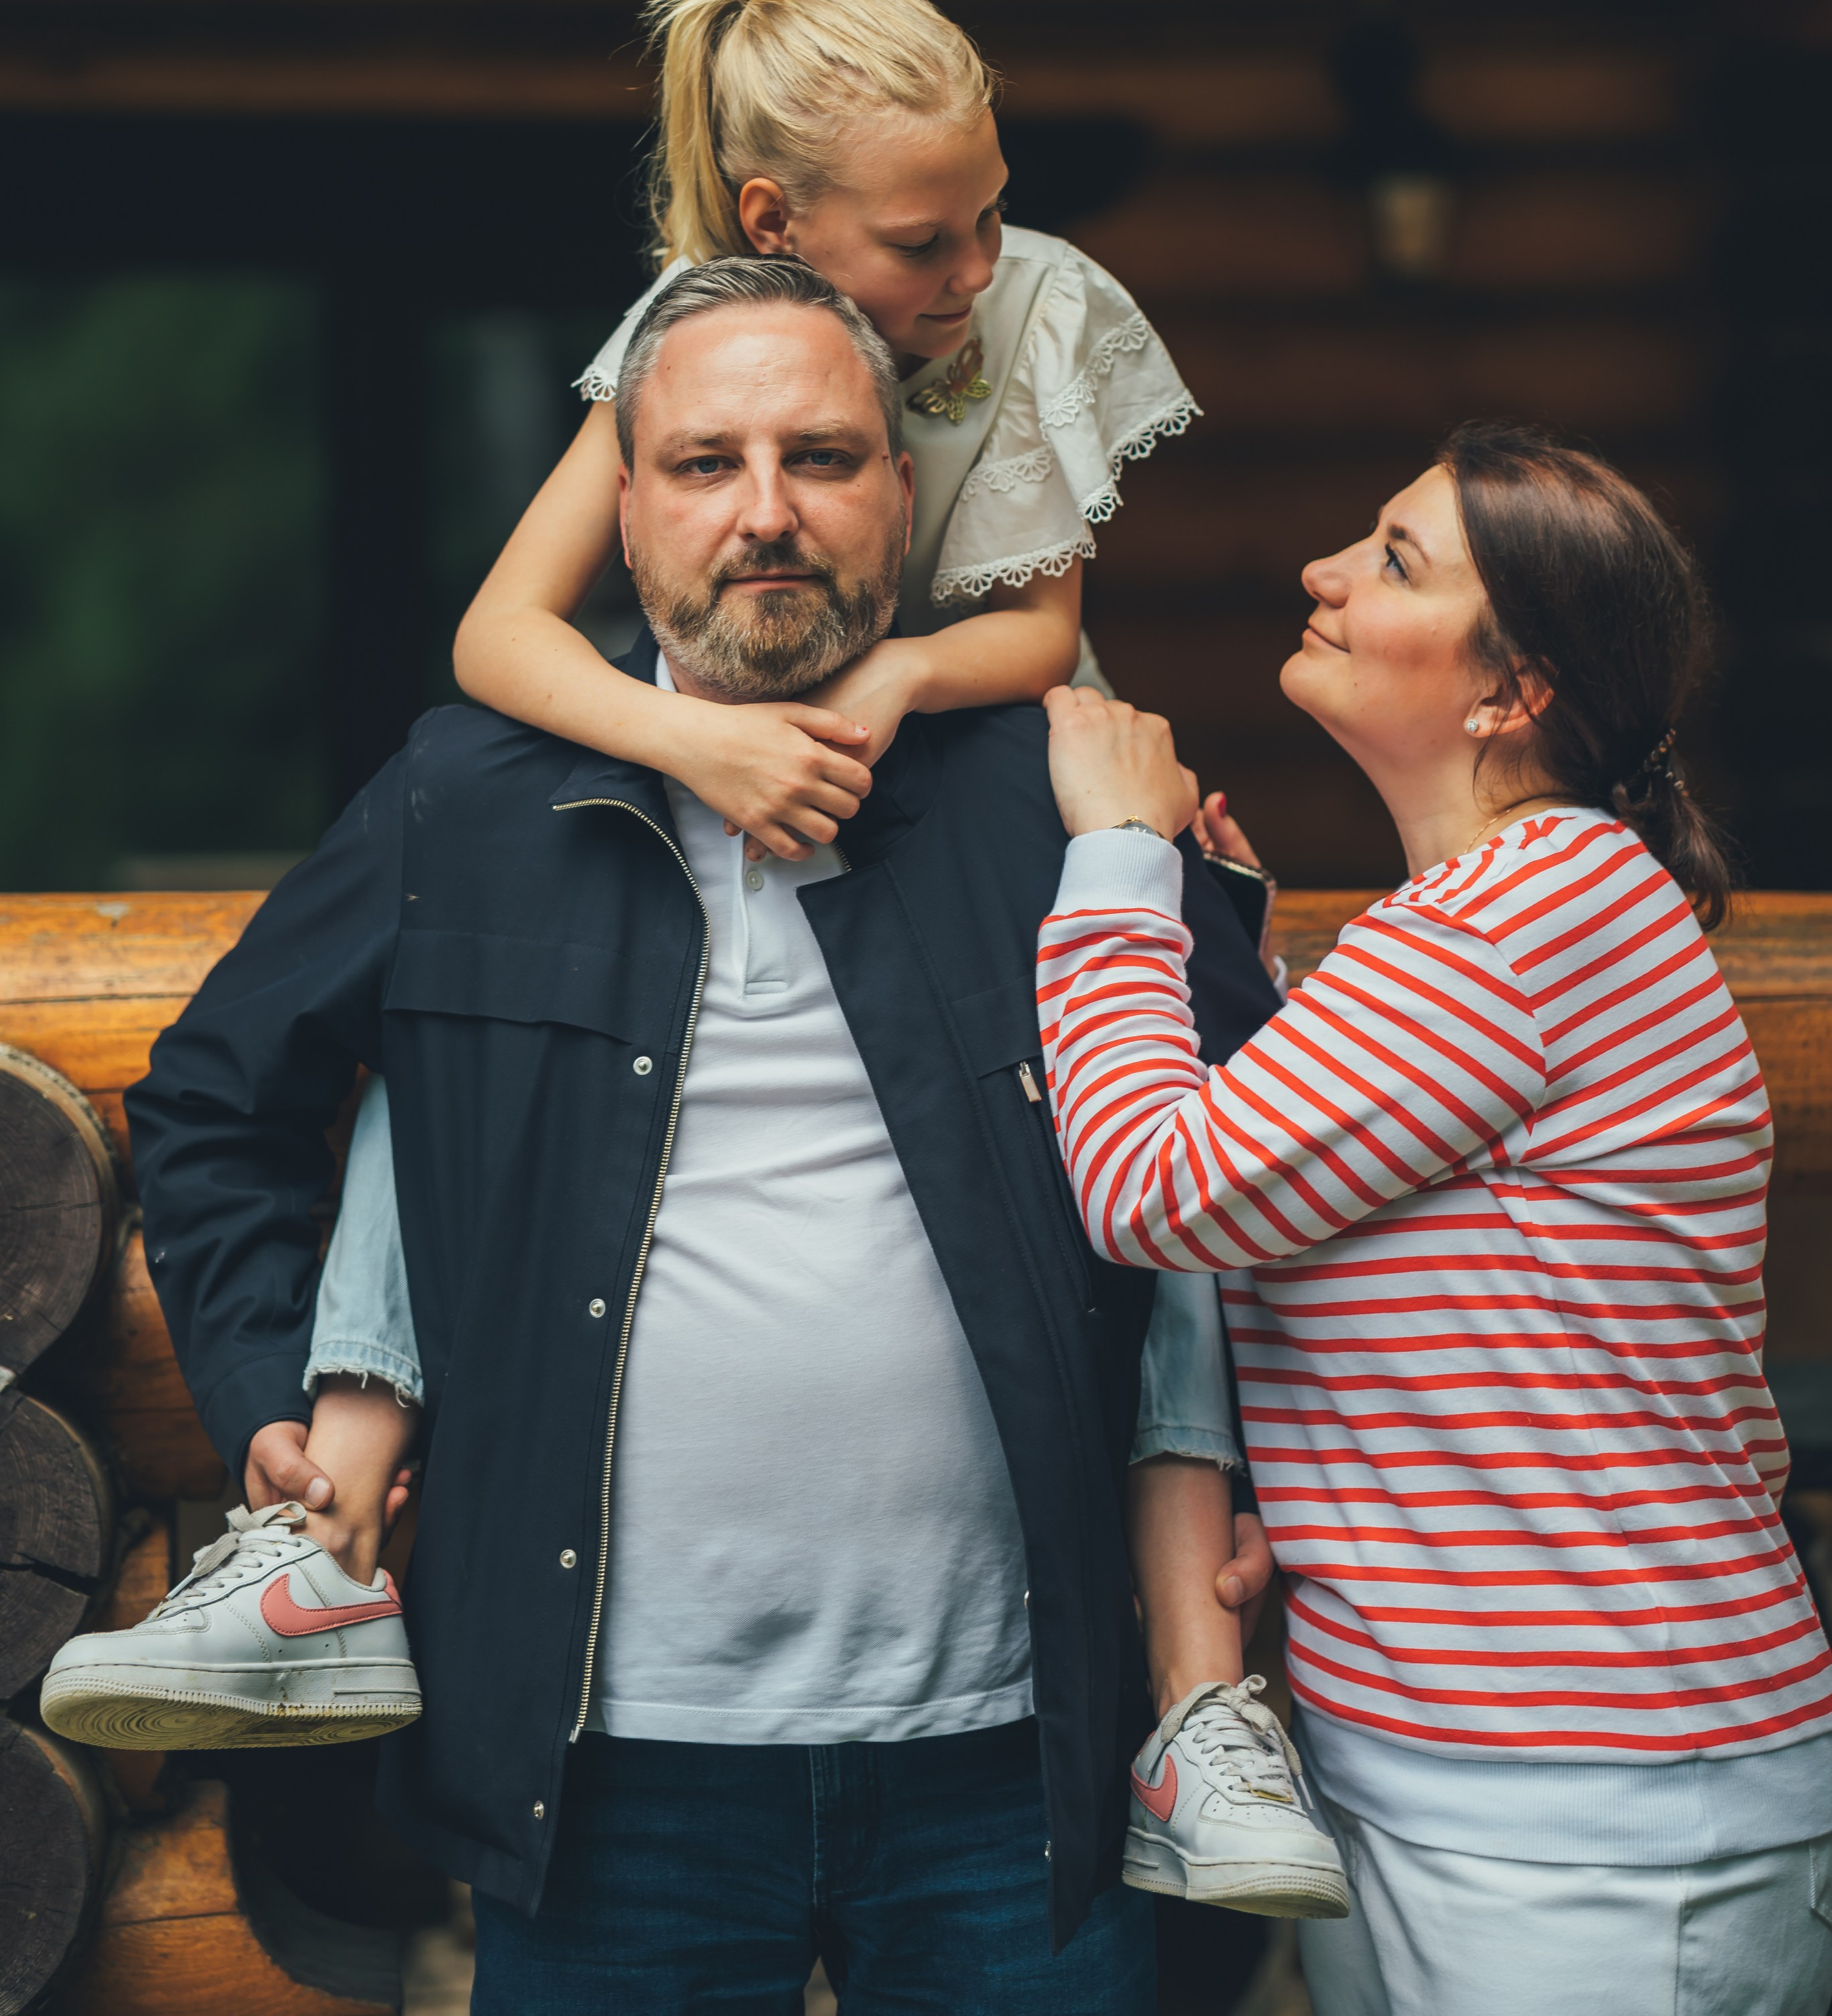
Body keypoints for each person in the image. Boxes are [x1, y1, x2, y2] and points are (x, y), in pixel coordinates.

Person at [44, 260, 1325, 2012]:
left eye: (822, 456)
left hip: (1009, 1764)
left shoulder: (1041, 793)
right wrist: (272, 1396)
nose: (768, 512)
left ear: (902, 492)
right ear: (624, 506)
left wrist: (1198, 894)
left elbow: (1255, 1157)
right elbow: (215, 1098)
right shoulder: (472, 799)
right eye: (707, 463)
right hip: (598, 1772)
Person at [246, 0, 1312, 1909]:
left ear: (891, 479)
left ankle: (1187, 1693)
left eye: (995, 206)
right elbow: (501, 637)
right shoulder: (676, 357)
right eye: (931, 235)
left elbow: (1053, 634)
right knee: (456, 984)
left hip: (976, 752)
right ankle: (306, 1534)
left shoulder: (1032, 308)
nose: (977, 264)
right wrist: (696, 745)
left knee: (1137, 1159)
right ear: (772, 226)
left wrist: (1067, 807)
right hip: (613, 1762)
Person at [1033, 422, 1832, 2015]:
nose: (1322, 572)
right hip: (1442, 1757)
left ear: (1508, 690)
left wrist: (1116, 862)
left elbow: (1153, 1185)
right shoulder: (1477, 923)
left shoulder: (1534, 904)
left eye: (1393, 559)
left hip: (1594, 1799)